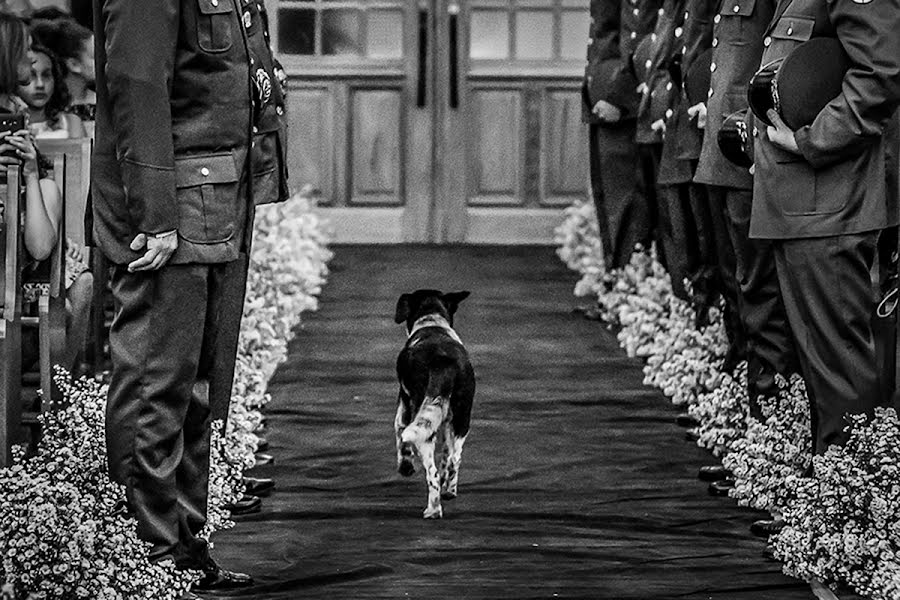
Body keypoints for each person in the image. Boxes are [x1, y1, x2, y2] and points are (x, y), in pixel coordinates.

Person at [91, 0, 288, 595]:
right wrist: (153, 213)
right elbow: (137, 82)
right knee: (159, 383)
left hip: (217, 196)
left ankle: (183, 546)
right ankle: (145, 558)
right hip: (172, 205)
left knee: (202, 386)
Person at [750, 0, 900, 458]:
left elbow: (880, 73)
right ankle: (826, 499)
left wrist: (811, 139)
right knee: (817, 366)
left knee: (840, 367)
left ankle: (850, 506)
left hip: (830, 201)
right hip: (801, 202)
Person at [584, 0, 662, 269]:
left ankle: (629, 285)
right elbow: (604, 32)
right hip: (602, 92)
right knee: (607, 201)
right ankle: (617, 284)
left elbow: (647, 36)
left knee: (629, 207)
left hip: (628, 101)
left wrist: (620, 96)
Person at [29, 17, 94, 135]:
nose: (104, 62)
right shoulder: (52, 110)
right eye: (94, 57)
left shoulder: (104, 101)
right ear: (73, 64)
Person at [18, 43, 85, 138]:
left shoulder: (71, 123)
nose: (40, 85)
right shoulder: (7, 124)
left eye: (46, 75)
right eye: (31, 76)